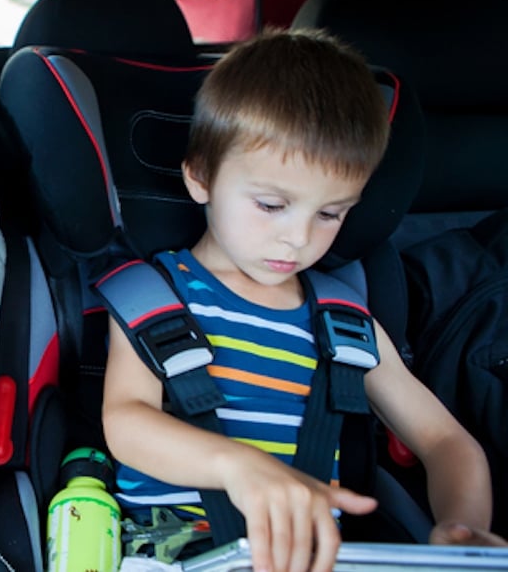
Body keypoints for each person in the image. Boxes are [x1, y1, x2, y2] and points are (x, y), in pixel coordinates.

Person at [100, 28, 506, 572]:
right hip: (174, 551)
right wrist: (239, 467)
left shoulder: (346, 323)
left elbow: (445, 441)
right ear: (200, 177)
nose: (298, 238)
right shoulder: (155, 298)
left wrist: (464, 526)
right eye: (271, 205)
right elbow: (127, 421)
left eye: (330, 213)